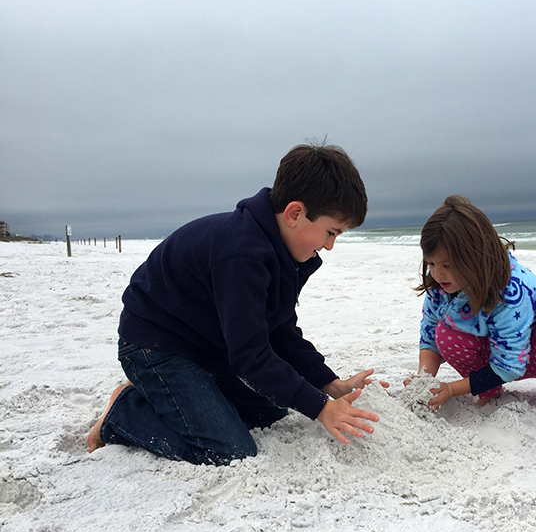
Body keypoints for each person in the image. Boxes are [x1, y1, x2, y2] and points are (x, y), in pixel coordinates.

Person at [87, 143, 382, 465]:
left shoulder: (286, 255)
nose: (330, 246)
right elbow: (250, 356)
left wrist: (327, 382)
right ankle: (123, 413)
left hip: (208, 346)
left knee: (269, 414)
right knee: (230, 450)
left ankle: (162, 394)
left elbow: (279, 329)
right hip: (155, 346)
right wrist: (321, 408)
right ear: (295, 213)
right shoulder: (241, 255)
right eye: (331, 232)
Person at [416, 195, 536, 416]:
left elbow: (510, 365)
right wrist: (422, 379)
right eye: (431, 263)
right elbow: (430, 334)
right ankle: (488, 391)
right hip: (493, 355)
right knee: (444, 334)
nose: (437, 273)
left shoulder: (509, 288)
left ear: (475, 257)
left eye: (448, 265)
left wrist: (452, 388)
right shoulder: (438, 284)